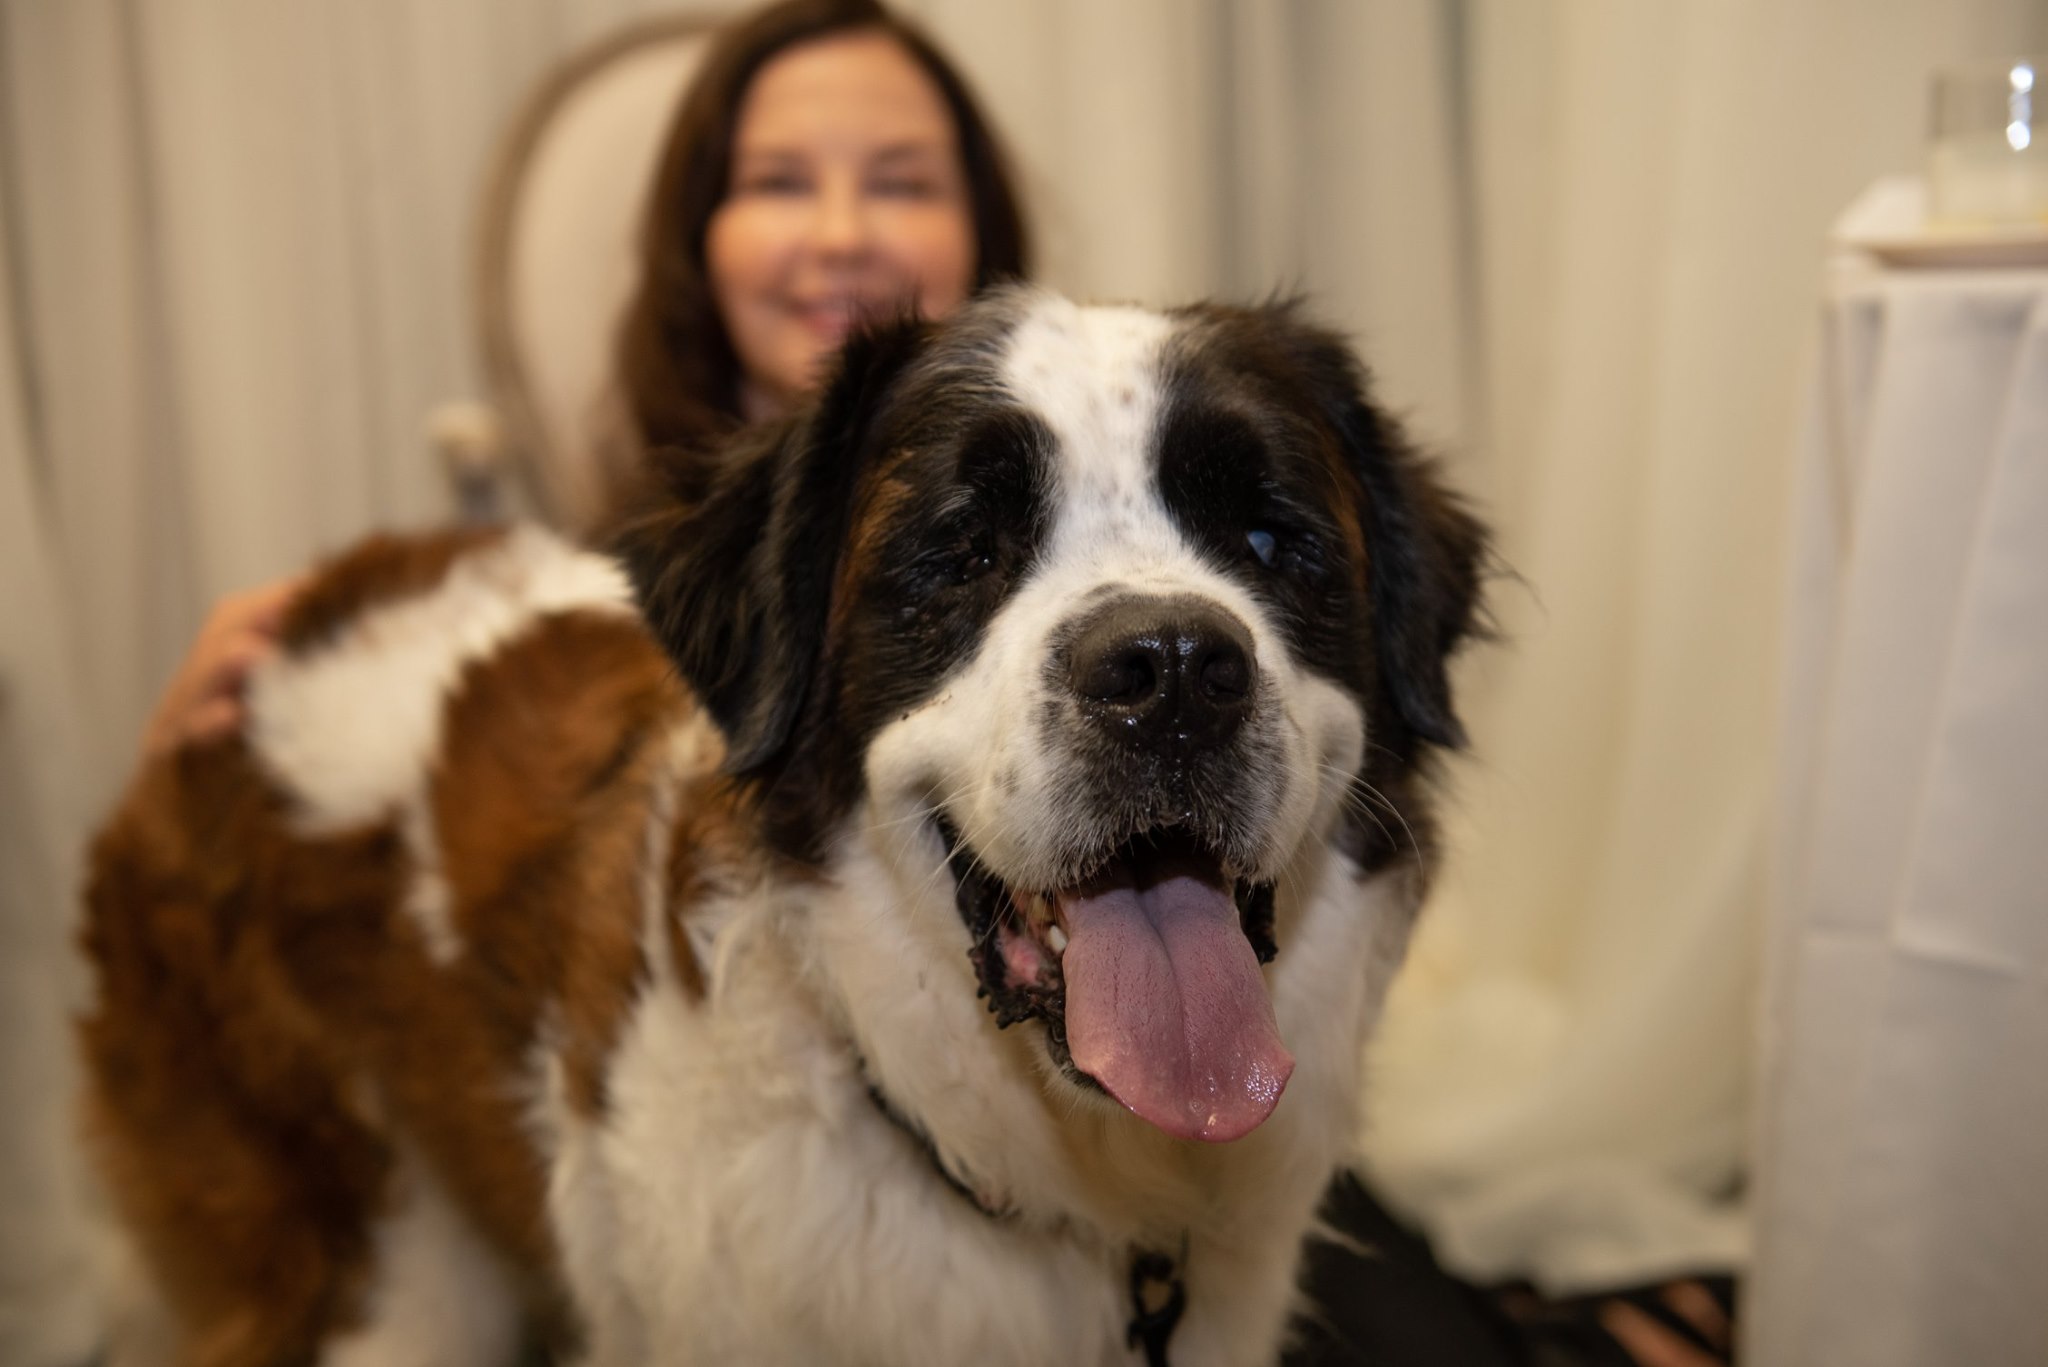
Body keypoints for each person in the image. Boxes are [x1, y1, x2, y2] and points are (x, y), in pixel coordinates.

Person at [133, 3, 1732, 1362]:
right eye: (967, 556)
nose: (840, 227)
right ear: (694, 244)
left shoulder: (1138, 373)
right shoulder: (719, 512)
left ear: (981, 227)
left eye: (898, 176)